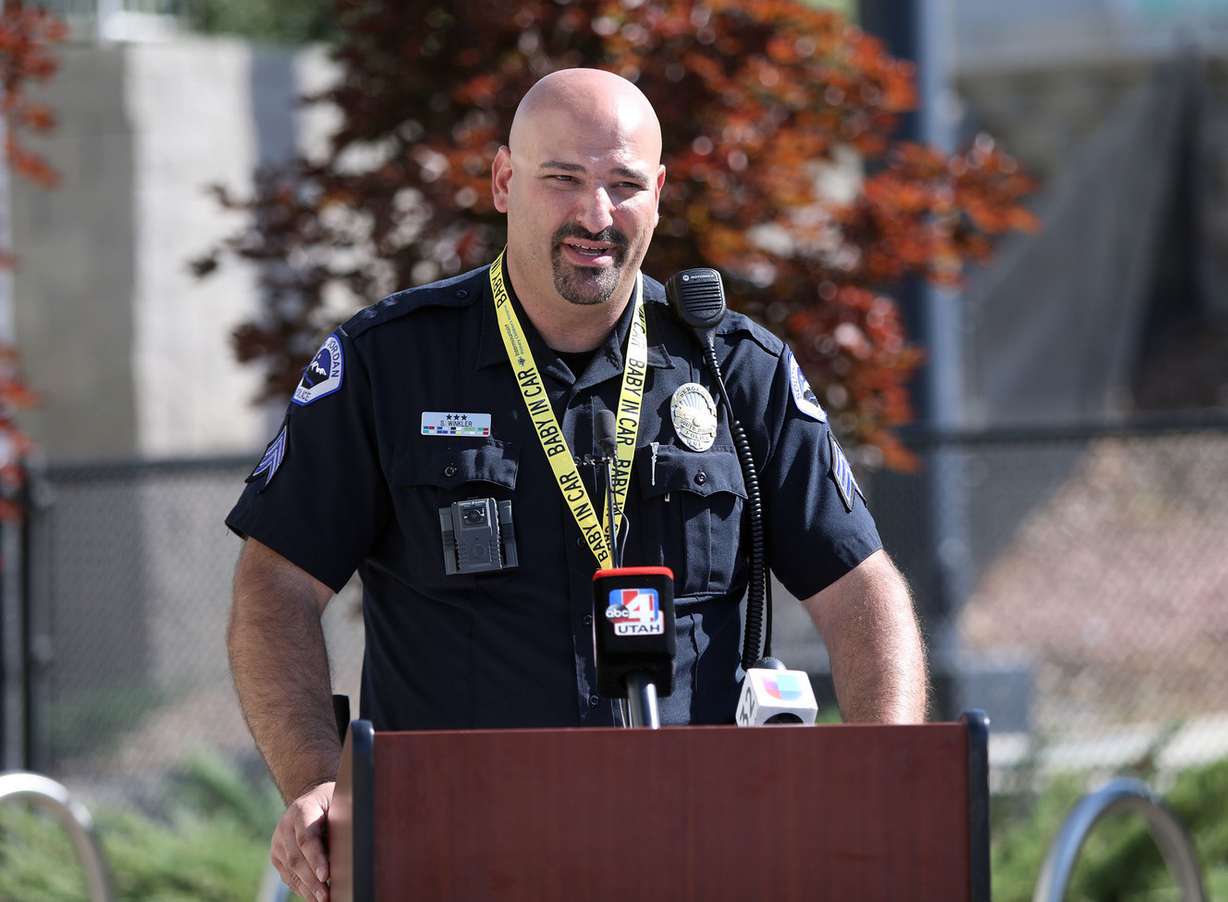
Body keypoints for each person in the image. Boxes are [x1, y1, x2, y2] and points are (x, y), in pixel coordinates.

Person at [226, 68, 927, 902]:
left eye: (623, 185)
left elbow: (860, 591)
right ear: (503, 181)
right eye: (563, 179)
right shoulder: (390, 365)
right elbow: (275, 586)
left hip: (702, 855)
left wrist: (886, 784)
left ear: (659, 195)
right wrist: (315, 783)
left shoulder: (739, 370)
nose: (595, 215)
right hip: (453, 858)